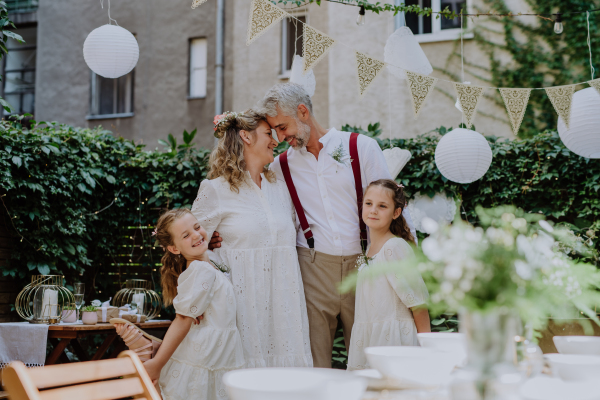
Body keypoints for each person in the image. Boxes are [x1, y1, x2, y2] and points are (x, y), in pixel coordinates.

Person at [248, 82, 417, 368]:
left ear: (303, 112)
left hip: (365, 265)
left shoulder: (361, 147)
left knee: (368, 357)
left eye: (282, 126)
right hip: (312, 268)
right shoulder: (281, 166)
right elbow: (259, 209)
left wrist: (412, 259)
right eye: (275, 130)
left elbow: (392, 203)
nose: (280, 136)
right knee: (315, 362)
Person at [192, 110, 312, 368]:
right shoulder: (215, 189)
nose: (275, 140)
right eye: (268, 134)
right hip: (241, 306)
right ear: (245, 136)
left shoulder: (280, 187)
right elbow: (190, 249)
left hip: (284, 305)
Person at [112, 208, 245, 400]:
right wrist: (157, 365)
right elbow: (182, 319)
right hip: (205, 354)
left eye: (197, 227)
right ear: (174, 249)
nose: (196, 235)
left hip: (219, 352)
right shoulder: (200, 270)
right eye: (186, 235)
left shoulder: (211, 264)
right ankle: (153, 353)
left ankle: (152, 347)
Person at [347, 180, 430, 370]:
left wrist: (427, 350)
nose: (373, 210)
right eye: (368, 203)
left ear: (396, 213)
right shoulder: (370, 249)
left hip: (393, 342)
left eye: (382, 206)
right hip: (370, 339)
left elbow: (418, 304)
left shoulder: (394, 248)